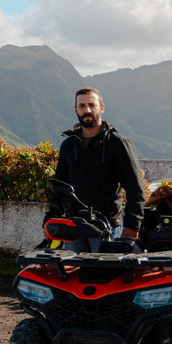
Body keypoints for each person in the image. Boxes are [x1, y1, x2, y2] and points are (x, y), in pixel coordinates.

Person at [45, 87, 147, 240]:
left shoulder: (118, 143)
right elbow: (60, 186)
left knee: (105, 258)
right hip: (74, 227)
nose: (87, 110)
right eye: (82, 106)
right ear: (75, 109)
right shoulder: (69, 145)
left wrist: (133, 224)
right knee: (71, 258)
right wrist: (51, 220)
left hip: (107, 227)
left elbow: (135, 188)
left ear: (102, 108)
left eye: (92, 105)